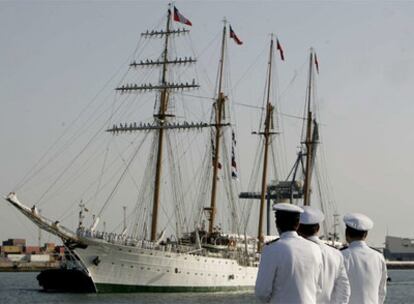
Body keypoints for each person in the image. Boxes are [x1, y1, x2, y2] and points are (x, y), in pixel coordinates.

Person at [255, 203, 323, 303]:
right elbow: (319, 288)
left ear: (277, 223)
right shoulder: (315, 249)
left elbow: (262, 292)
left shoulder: (271, 249)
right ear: (298, 223)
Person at [298, 206, 350, 304]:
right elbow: (344, 290)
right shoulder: (336, 254)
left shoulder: (293, 253)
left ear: (297, 228)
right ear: (318, 228)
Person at [341, 213, 387, 304]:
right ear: (365, 234)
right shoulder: (378, 257)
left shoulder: (340, 256)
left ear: (347, 234)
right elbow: (382, 291)